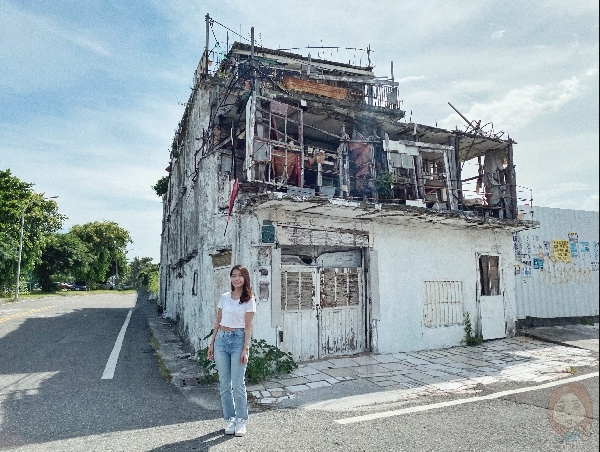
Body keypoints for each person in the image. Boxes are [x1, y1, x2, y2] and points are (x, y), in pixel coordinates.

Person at [207, 265, 256, 436]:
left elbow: (248, 327)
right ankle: (230, 419)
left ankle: (241, 420)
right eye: (233, 275)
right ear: (230, 278)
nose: (236, 279)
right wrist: (211, 344)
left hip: (238, 341)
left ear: (245, 278)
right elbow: (218, 321)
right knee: (224, 384)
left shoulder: (249, 299)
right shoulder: (225, 297)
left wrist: (245, 349)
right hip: (221, 340)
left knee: (238, 384)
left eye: (240, 276)